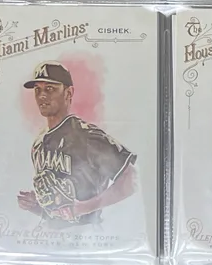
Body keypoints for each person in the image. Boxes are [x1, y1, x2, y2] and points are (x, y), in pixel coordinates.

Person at [18, 61, 137, 226]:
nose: (42, 95)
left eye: (50, 88)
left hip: (86, 234)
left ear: (68, 92)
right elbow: (56, 213)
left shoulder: (86, 136)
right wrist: (36, 206)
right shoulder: (38, 144)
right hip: (51, 235)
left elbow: (130, 180)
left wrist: (84, 207)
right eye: (37, 90)